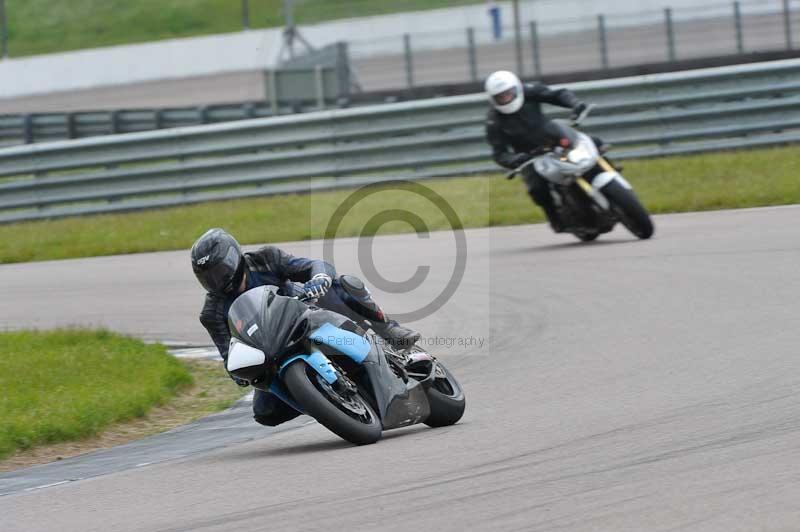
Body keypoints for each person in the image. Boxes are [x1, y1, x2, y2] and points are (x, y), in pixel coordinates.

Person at [190, 227, 420, 427]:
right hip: (272, 351)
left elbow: (313, 265)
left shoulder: (266, 259)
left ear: (234, 259)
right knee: (265, 413)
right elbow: (228, 354)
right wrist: (239, 373)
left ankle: (389, 329)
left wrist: (319, 277)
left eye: (219, 273)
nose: (216, 282)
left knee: (341, 285)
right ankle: (330, 404)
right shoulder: (211, 313)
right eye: (208, 279)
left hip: (308, 314)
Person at [484, 70, 596, 232]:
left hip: (553, 136)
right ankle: (555, 218)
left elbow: (556, 95)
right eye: (500, 97)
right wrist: (513, 160)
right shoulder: (494, 121)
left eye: (508, 93)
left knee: (591, 143)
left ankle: (608, 171)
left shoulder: (529, 91)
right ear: (493, 99)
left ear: (517, 88)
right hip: (529, 155)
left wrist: (575, 103)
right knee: (537, 187)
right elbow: (498, 152)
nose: (506, 98)